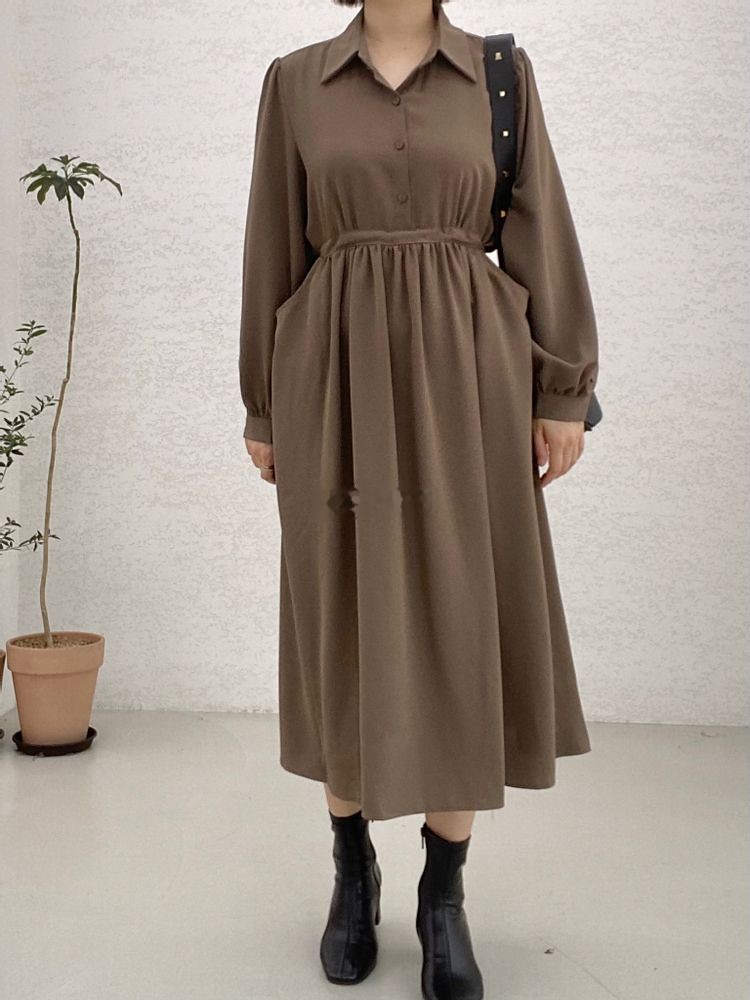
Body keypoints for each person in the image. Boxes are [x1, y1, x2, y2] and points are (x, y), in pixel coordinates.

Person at [238, 1, 599, 997]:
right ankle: (352, 872)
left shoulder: (497, 74)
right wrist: (264, 406)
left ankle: (444, 895)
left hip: (469, 376)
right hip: (333, 377)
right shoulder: (295, 81)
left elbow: (541, 227)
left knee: (460, 618)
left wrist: (562, 389)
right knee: (342, 618)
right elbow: (273, 242)